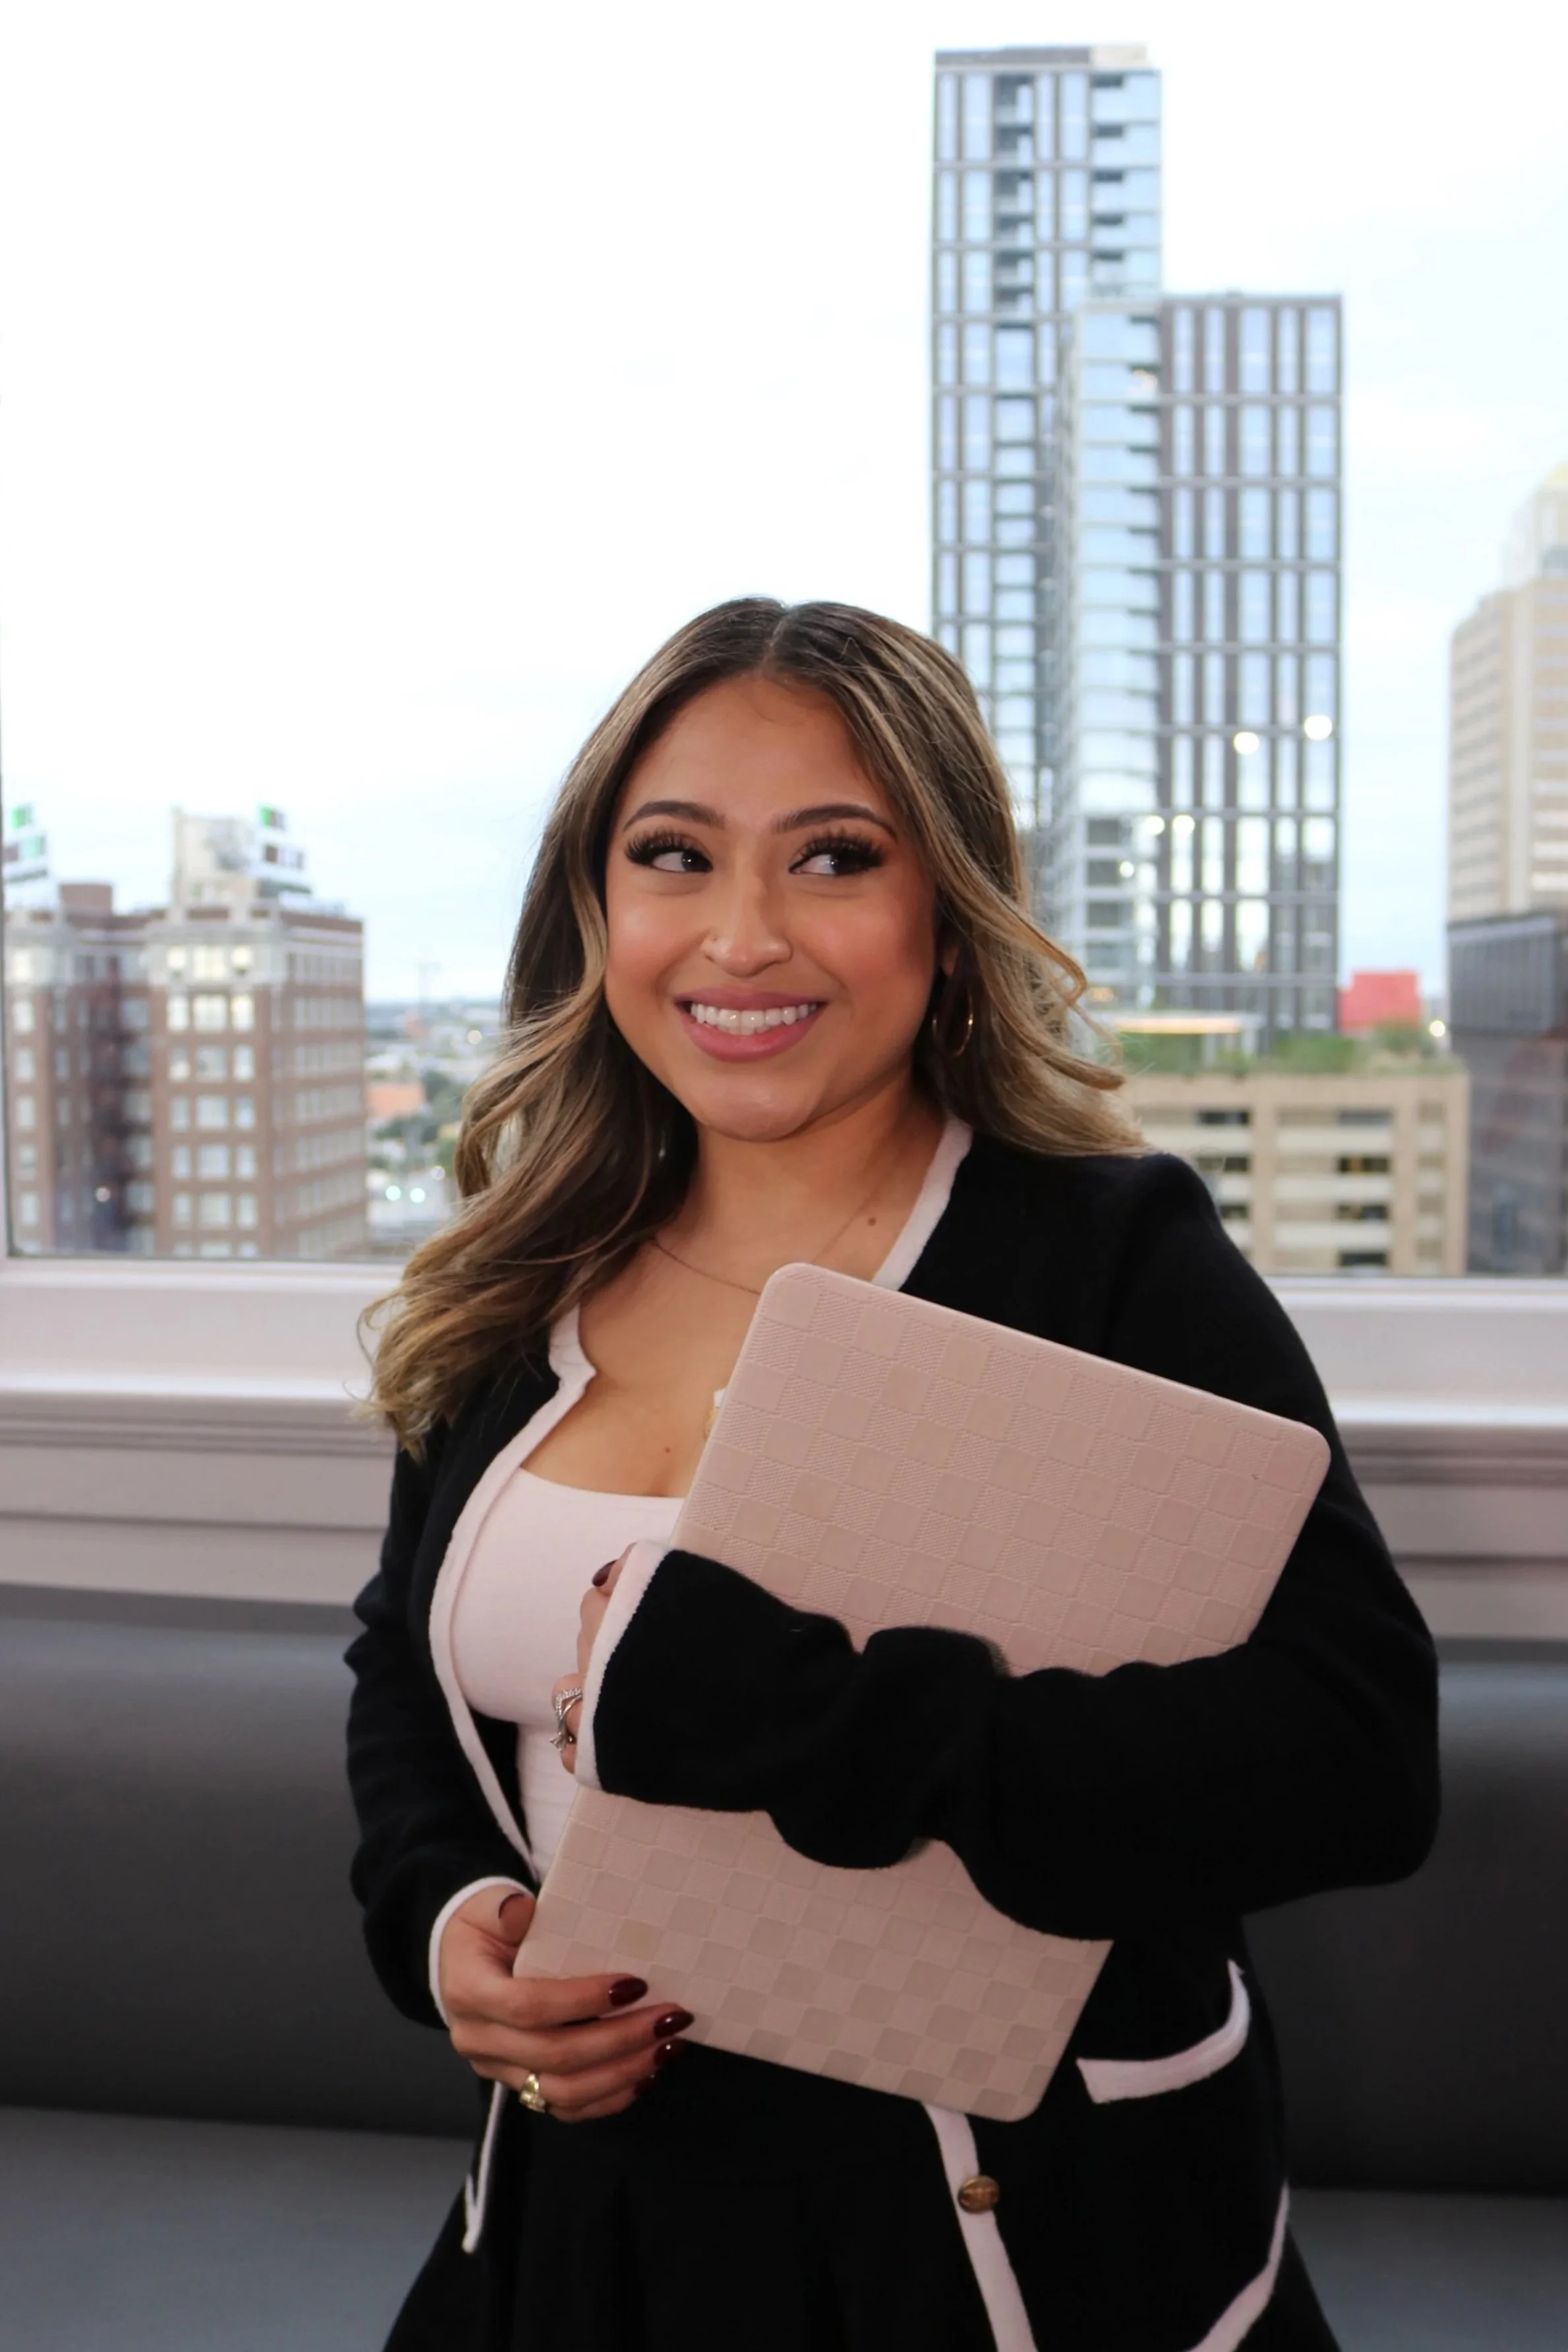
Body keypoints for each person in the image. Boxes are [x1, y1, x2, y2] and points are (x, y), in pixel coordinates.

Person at [346, 597, 1438, 2352]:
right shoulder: (520, 1280)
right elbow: (405, 1663)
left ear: (946, 907)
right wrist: (448, 1919)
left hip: (1010, 2243)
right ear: (596, 907)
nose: (741, 934)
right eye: (675, 855)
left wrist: (780, 1704)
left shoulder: (1105, 1264)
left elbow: (1358, 1753)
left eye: (834, 857)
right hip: (579, 2218)